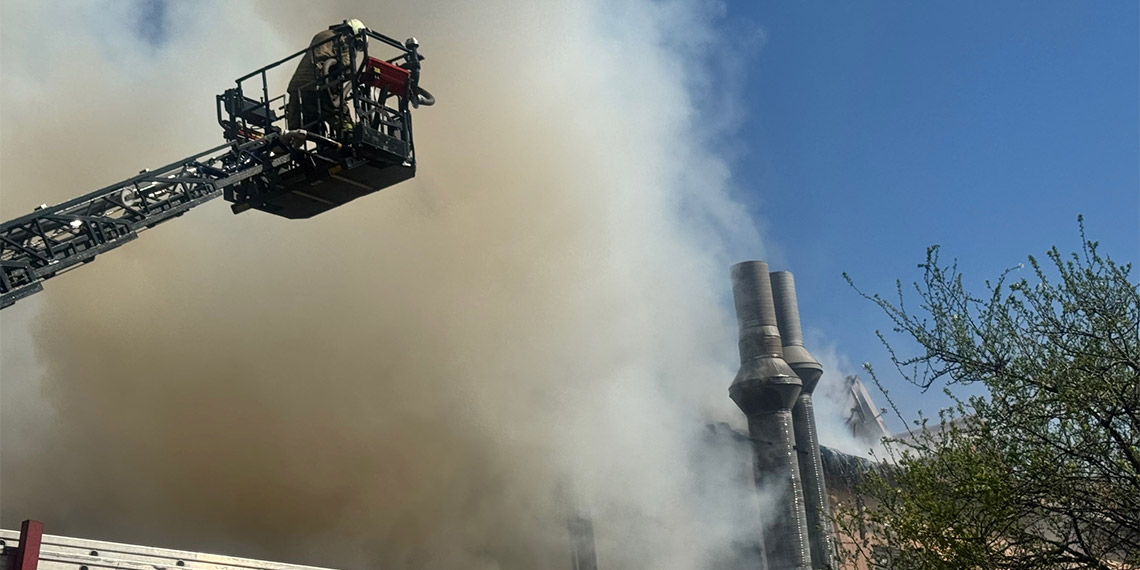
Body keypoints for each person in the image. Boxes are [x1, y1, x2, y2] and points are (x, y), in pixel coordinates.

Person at [286, 20, 366, 138]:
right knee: (344, 123)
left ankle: (280, 149)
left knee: (294, 132)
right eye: (358, 46)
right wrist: (356, 75)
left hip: (297, 87)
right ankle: (351, 141)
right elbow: (346, 64)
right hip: (321, 85)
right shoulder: (344, 39)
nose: (356, 50)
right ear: (355, 33)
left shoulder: (324, 34)